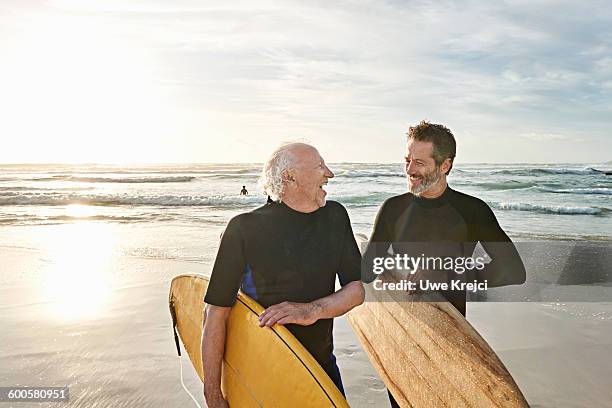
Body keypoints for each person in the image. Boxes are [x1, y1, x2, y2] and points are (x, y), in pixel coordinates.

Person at [364, 121, 526, 407]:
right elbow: (366, 271)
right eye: (407, 160)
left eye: (420, 162)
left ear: (445, 165)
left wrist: (442, 272)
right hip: (400, 333)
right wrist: (389, 268)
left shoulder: (471, 210)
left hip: (449, 336)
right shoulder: (393, 208)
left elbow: (513, 270)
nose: (410, 170)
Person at [202, 143, 365, 408]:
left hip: (320, 366)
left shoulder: (335, 216)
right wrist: (213, 393)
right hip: (259, 370)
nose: (330, 174)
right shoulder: (243, 228)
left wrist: (312, 310)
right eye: (320, 166)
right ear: (289, 176)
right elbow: (215, 313)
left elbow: (357, 289)